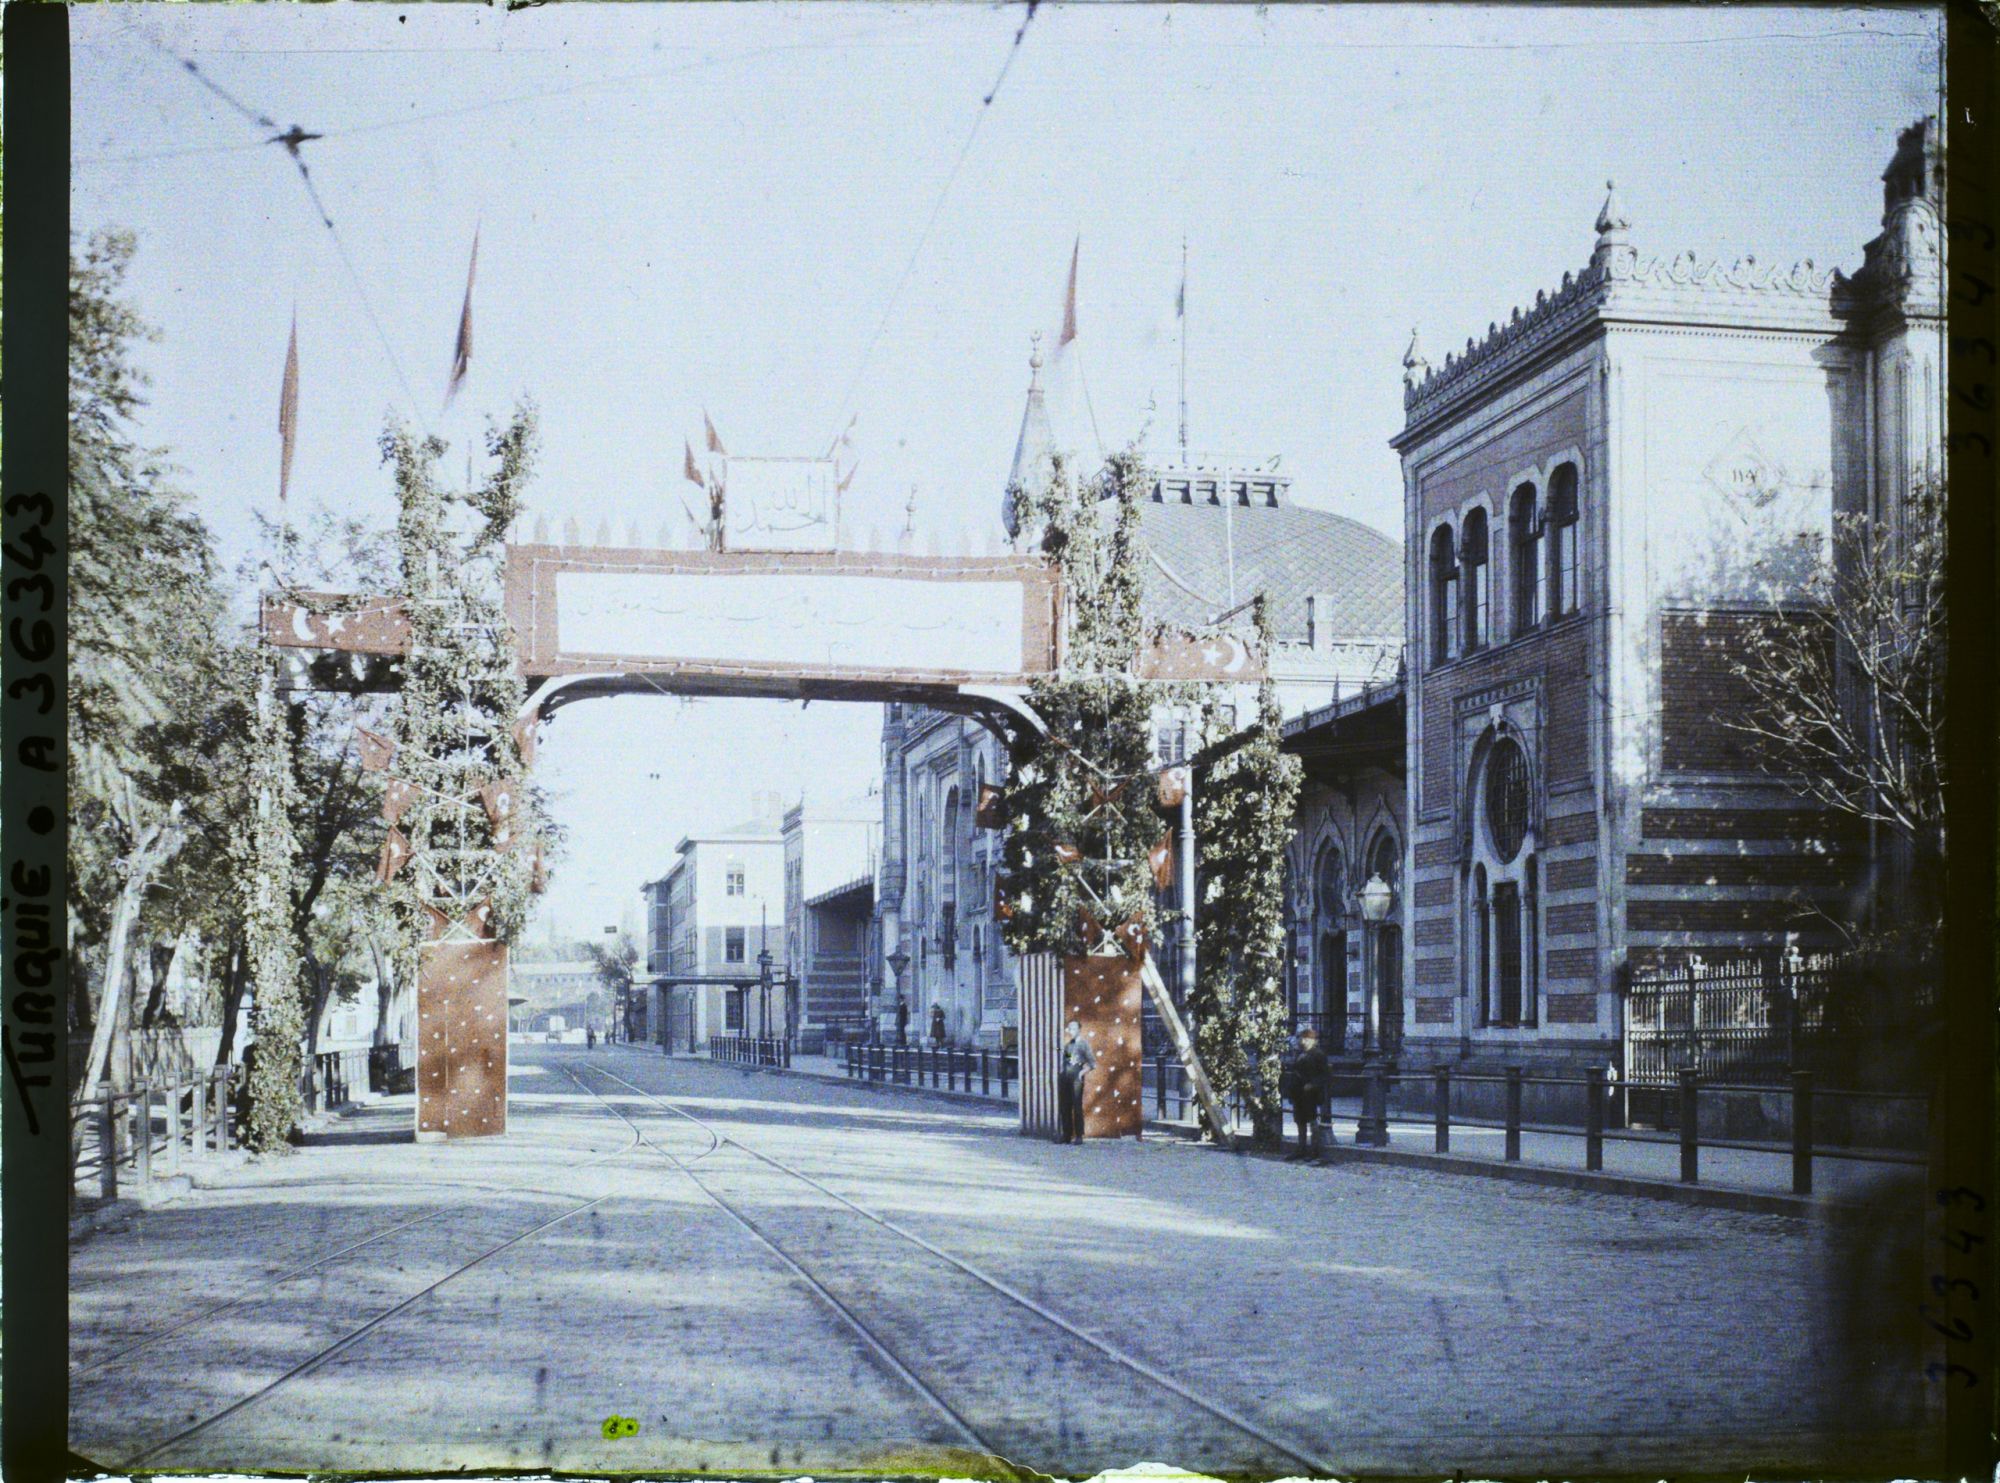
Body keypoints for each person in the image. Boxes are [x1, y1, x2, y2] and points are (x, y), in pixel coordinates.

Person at [1283, 1027, 1330, 1160]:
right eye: (1302, 1039)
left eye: (1307, 1039)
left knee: (1312, 1121)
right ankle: (1301, 1148)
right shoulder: (1300, 1054)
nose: (1303, 1041)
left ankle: (1314, 1150)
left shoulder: (1318, 1055)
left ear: (1314, 1041)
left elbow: (1325, 1075)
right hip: (1298, 1093)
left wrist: (1313, 1084)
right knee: (1300, 1121)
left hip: (1311, 1094)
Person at [1057, 1019, 1097, 1145]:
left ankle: (1079, 1135)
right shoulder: (1068, 1045)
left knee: (1077, 1105)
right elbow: (1069, 1058)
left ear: (1079, 1030)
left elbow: (1092, 1063)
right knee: (1064, 1106)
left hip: (1076, 1077)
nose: (1071, 1031)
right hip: (1065, 1076)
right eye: (1069, 1028)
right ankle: (1066, 1134)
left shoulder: (1083, 1044)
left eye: (1074, 1028)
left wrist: (1081, 1073)